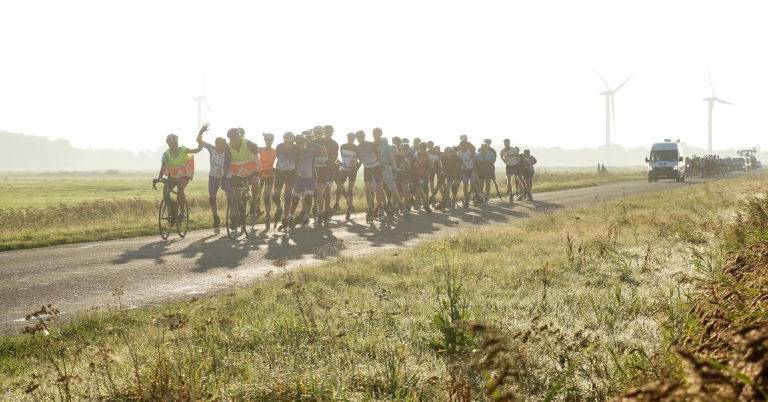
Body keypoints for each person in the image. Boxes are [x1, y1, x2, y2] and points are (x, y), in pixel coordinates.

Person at [155, 132, 202, 224]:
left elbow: (195, 151)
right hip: (172, 177)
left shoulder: (183, 150)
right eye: (169, 144)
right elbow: (163, 167)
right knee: (165, 191)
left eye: (173, 143)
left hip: (184, 175)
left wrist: (201, 145)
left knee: (180, 188)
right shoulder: (166, 154)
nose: (171, 145)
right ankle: (171, 211)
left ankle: (182, 212)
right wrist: (160, 178)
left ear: (176, 143)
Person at [222, 128, 261, 229]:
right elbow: (226, 164)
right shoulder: (228, 147)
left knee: (256, 183)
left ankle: (253, 203)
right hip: (238, 171)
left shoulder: (247, 143)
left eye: (235, 138)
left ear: (240, 137)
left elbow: (256, 151)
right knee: (236, 196)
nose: (233, 140)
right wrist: (224, 177)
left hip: (251, 168)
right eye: (231, 139)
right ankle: (235, 218)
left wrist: (258, 166)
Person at [195, 123, 227, 233]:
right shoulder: (211, 149)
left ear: (224, 146)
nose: (218, 148)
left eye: (221, 146)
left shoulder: (228, 152)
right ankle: (216, 219)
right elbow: (199, 140)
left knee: (231, 198)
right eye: (217, 145)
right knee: (212, 198)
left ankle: (233, 217)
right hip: (213, 177)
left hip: (225, 177)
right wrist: (201, 131)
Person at [287, 134, 321, 227]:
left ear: (305, 142)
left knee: (308, 199)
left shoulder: (311, 151)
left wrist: (316, 141)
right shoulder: (295, 152)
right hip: (299, 178)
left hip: (311, 178)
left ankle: (306, 216)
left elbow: (322, 151)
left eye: (301, 142)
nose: (299, 144)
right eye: (297, 142)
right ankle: (290, 216)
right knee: (295, 199)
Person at [355, 130, 386, 223]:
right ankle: (370, 209)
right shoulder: (357, 148)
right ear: (357, 138)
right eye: (359, 137)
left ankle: (380, 207)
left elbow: (378, 155)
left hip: (376, 167)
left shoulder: (371, 144)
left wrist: (381, 167)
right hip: (367, 169)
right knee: (368, 189)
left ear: (364, 136)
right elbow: (359, 159)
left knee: (379, 189)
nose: (360, 138)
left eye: (362, 136)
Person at [274, 132, 299, 229]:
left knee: (288, 195)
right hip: (280, 172)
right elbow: (278, 158)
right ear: (283, 140)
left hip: (291, 173)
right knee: (275, 195)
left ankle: (285, 217)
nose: (289, 144)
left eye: (291, 142)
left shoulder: (296, 148)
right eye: (287, 142)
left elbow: (298, 159)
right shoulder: (279, 147)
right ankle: (279, 208)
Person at [333, 132, 360, 220]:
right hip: (344, 170)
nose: (350, 139)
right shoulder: (343, 146)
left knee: (350, 189)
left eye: (352, 138)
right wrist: (340, 163)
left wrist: (356, 167)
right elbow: (341, 157)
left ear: (354, 139)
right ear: (347, 138)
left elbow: (360, 160)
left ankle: (349, 208)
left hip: (352, 171)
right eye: (349, 137)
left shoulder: (357, 148)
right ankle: (337, 204)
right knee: (339, 187)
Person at [376, 132, 403, 215]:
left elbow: (391, 159)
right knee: (381, 189)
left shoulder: (389, 148)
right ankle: (383, 207)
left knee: (392, 190)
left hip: (388, 172)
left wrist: (394, 168)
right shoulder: (376, 147)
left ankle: (398, 207)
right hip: (379, 171)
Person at [258, 133, 277, 230]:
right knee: (257, 194)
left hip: (270, 175)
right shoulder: (260, 149)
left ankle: (267, 215)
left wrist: (275, 169)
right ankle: (256, 211)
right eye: (267, 140)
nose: (269, 141)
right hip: (260, 175)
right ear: (265, 140)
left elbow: (281, 161)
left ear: (272, 141)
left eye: (270, 140)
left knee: (266, 196)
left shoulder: (275, 151)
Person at [456, 134, 478, 208]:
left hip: (471, 169)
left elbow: (474, 149)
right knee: (465, 186)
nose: (463, 141)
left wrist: (474, 167)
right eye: (462, 140)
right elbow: (457, 154)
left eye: (464, 139)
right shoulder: (459, 150)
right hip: (464, 171)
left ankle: (477, 195)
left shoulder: (470, 147)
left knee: (473, 184)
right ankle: (467, 199)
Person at [322, 125, 339, 216]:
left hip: (329, 170)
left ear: (332, 133)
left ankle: (327, 210)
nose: (328, 134)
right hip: (319, 170)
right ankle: (319, 209)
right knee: (319, 191)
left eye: (330, 132)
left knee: (327, 190)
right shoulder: (319, 142)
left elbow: (333, 158)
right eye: (326, 132)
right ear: (324, 132)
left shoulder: (335, 144)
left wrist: (326, 159)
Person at [476, 139, 496, 204]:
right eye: (482, 148)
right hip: (481, 171)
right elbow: (476, 163)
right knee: (481, 185)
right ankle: (481, 196)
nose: (483, 149)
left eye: (485, 148)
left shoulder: (491, 154)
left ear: (487, 148)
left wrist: (492, 172)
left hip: (488, 171)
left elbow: (493, 162)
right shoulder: (478, 155)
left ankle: (487, 196)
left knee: (487, 184)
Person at [500, 139, 519, 203]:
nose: (506, 144)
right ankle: (511, 194)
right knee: (508, 180)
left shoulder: (513, 149)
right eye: (505, 143)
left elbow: (518, 156)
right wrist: (505, 161)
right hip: (508, 166)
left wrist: (516, 162)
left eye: (507, 143)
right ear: (504, 143)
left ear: (509, 143)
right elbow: (501, 156)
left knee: (518, 178)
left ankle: (523, 191)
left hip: (515, 165)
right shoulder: (502, 150)